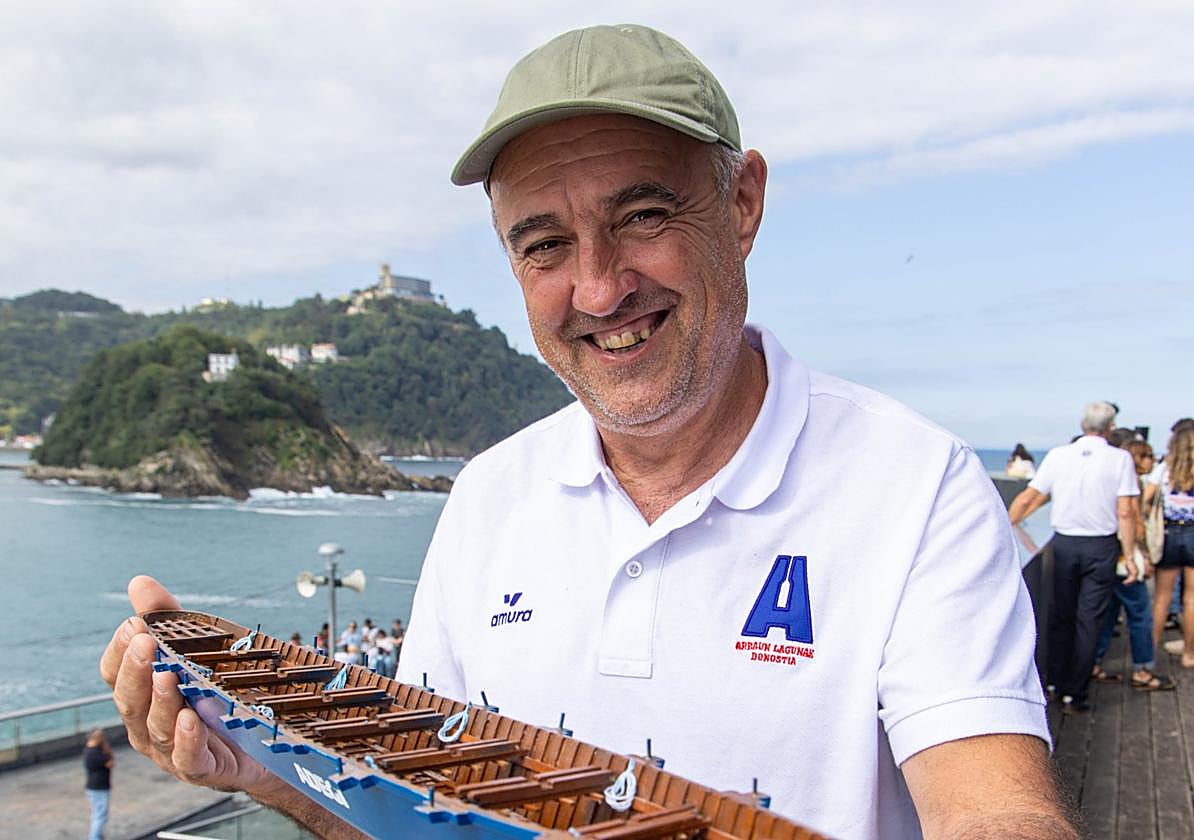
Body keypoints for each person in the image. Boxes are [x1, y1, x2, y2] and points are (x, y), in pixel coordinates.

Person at [99, 24, 1073, 840]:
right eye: (547, 245)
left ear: (742, 205)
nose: (601, 288)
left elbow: (995, 806)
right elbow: (424, 812)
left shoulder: (914, 487)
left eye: (643, 215)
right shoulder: (487, 495)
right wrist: (260, 771)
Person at [1009, 401, 1140, 712]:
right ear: (1110, 427)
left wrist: (1008, 528)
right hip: (1101, 546)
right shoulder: (1120, 459)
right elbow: (1126, 511)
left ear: (1083, 425)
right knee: (1089, 620)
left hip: (1065, 544)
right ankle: (1074, 693)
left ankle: (1053, 682)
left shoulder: (1058, 455)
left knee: (1061, 615)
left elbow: (1029, 497)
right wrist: (1131, 554)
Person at [1090, 439, 1173, 690]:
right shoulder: (1131, 486)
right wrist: (1145, 556)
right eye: (1146, 456)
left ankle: (1093, 662)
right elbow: (1135, 523)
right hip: (1126, 559)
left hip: (1105, 554)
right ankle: (1143, 670)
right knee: (1140, 615)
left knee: (1108, 614)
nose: (1151, 460)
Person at [1149, 425, 1194, 666]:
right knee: (1192, 599)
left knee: (1161, 597)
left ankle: (1150, 654)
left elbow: (1146, 499)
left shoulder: (1164, 470)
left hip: (1168, 533)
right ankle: (1189, 654)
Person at [83, 728, 113, 840]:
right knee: (100, 815)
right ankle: (95, 837)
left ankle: (97, 836)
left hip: (95, 787)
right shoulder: (94, 753)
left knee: (97, 814)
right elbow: (110, 762)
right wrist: (107, 748)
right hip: (99, 788)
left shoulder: (89, 750)